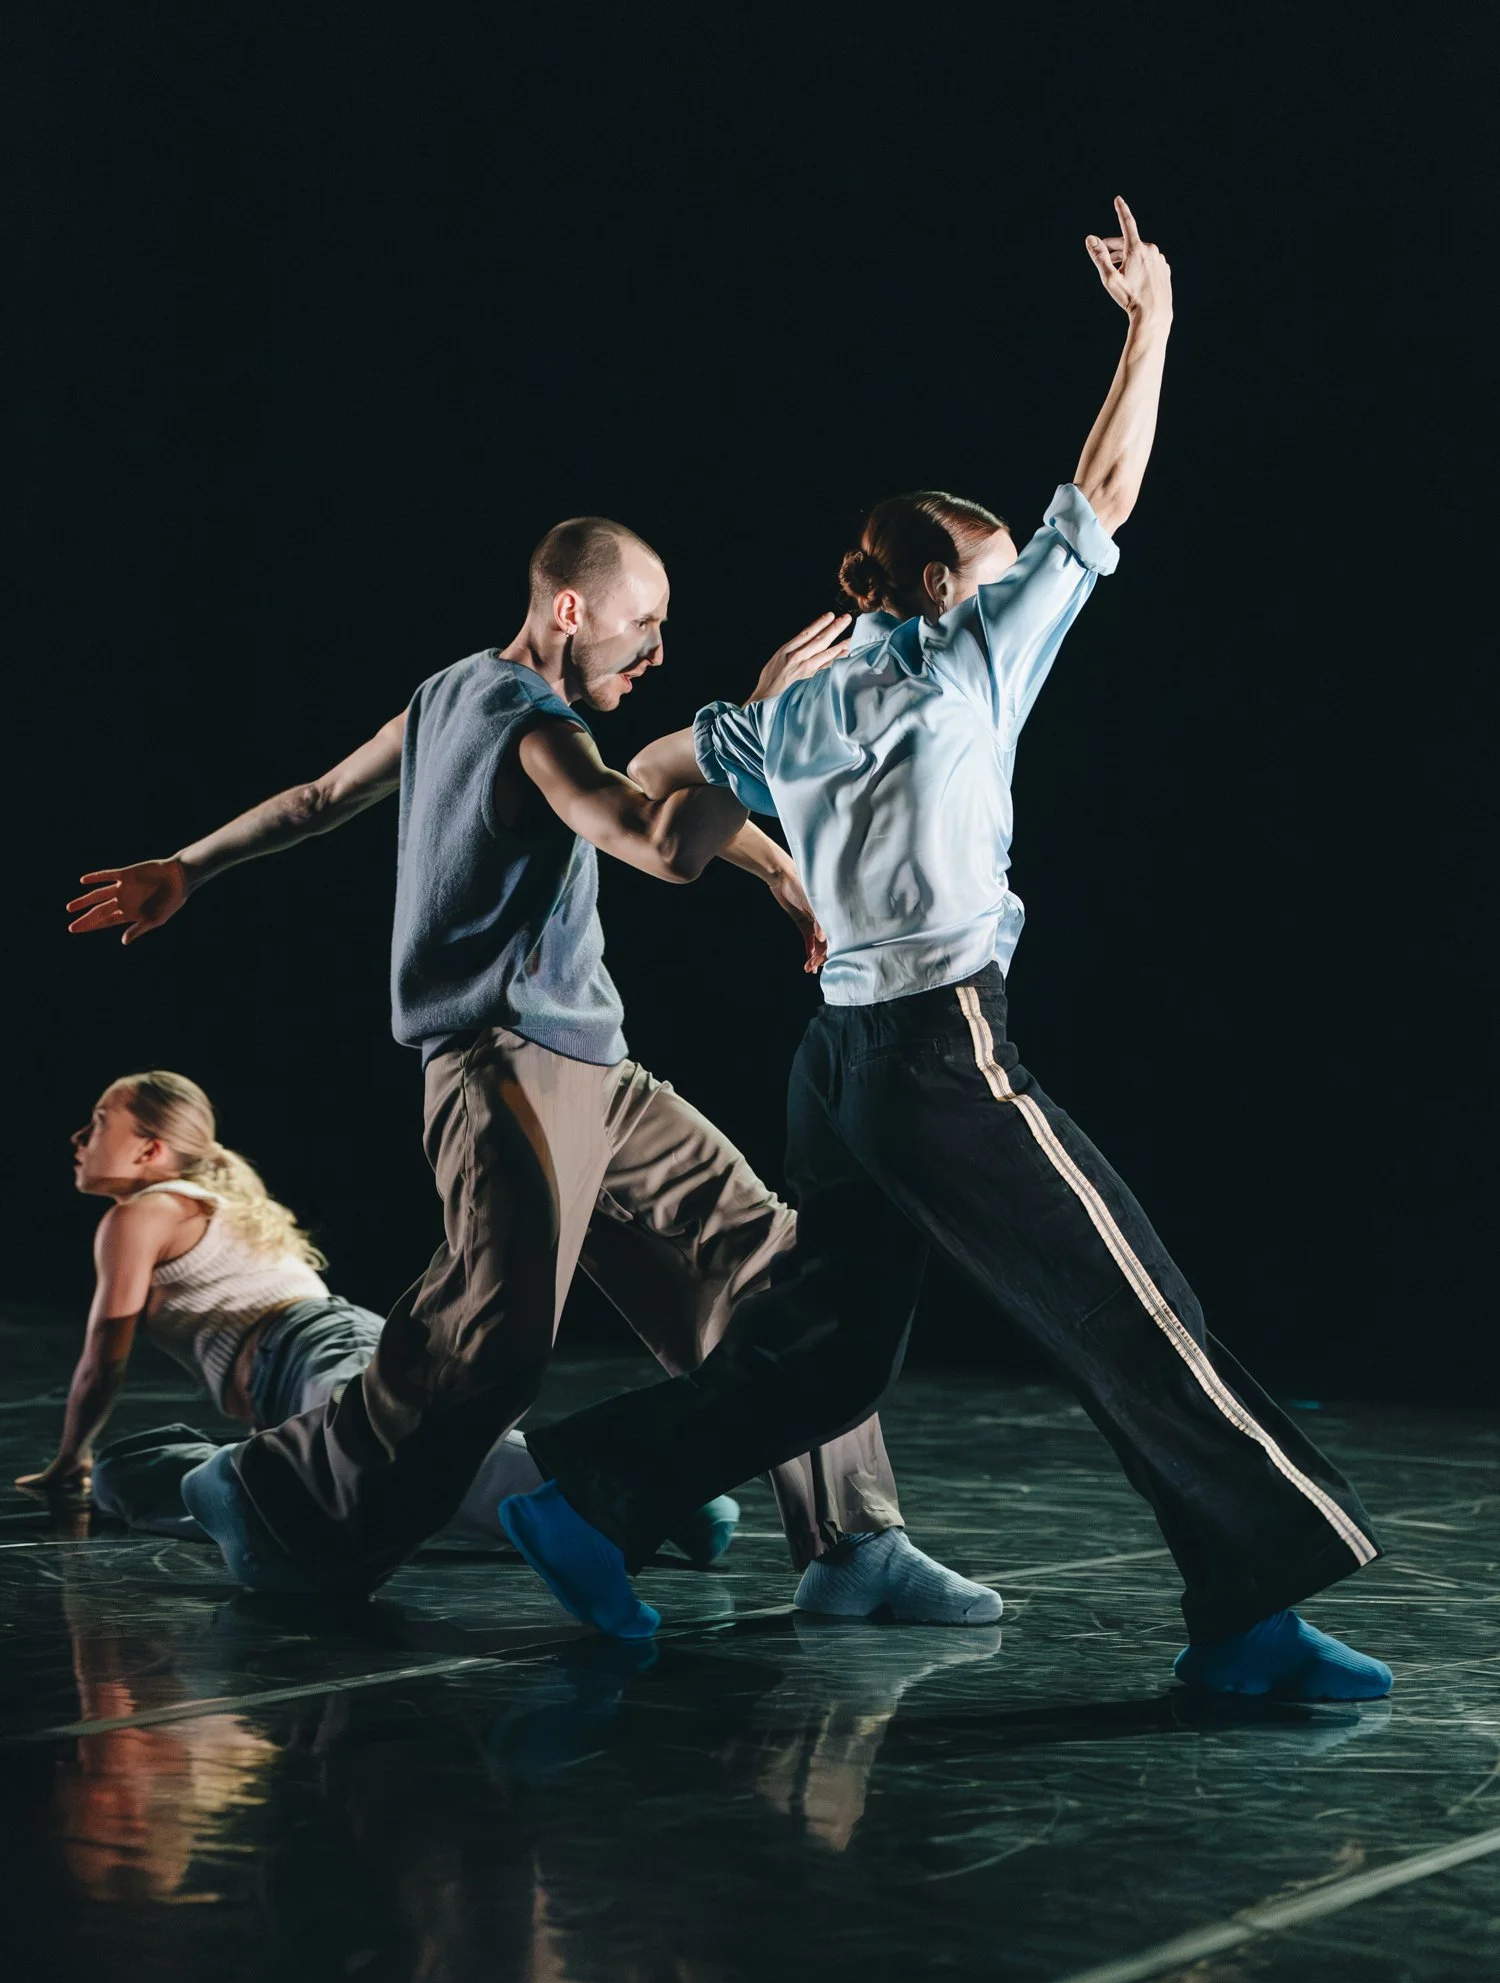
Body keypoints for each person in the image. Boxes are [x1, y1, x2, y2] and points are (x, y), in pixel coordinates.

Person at [497, 200, 1395, 1699]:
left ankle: (582, 1496)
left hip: (837, 1062)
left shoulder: (790, 707)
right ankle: (1252, 1613)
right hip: (936, 1049)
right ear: (932, 588)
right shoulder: (968, 656)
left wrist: (671, 824)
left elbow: (658, 768)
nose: (1015, 580)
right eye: (986, 567)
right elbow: (1103, 488)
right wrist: (1152, 320)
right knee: (1134, 1310)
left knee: (829, 1350)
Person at [67, 531, 997, 1623]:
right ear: (569, 611)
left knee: (775, 1263)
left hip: (600, 1075)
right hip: (503, 1070)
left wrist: (189, 865)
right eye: (642, 627)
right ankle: (273, 1496)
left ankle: (851, 1542)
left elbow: (321, 797)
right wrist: (757, 727)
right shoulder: (532, 729)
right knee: (490, 1344)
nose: (654, 652)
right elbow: (649, 839)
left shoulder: (447, 695)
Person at [18, 1067, 620, 1553]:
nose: (79, 1138)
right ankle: (260, 1490)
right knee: (128, 1471)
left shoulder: (140, 1213)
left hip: (312, 1348)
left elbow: (104, 1359)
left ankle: (638, 1499)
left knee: (416, 1456)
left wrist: (70, 1459)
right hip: (307, 1367)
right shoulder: (194, 1202)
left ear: (149, 1149)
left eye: (98, 1123)